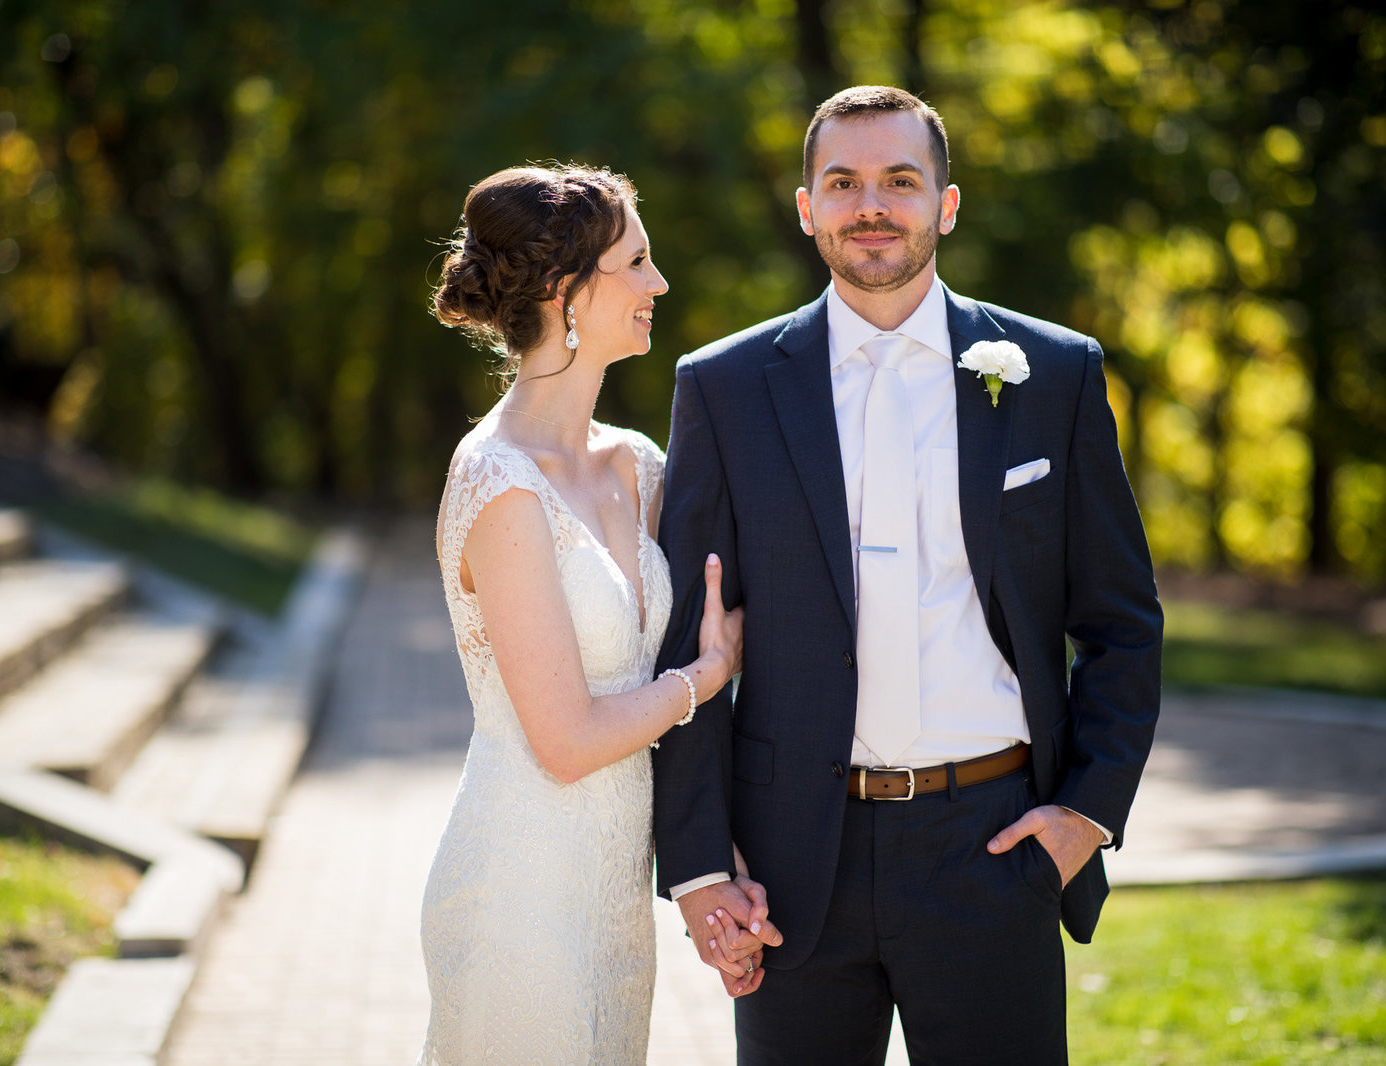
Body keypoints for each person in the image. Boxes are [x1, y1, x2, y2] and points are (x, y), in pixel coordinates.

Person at [651, 86, 1163, 1064]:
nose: (870, 205)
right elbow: (687, 640)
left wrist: (1085, 813)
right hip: (792, 862)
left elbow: (1122, 618)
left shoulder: (1050, 373)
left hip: (994, 846)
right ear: (806, 206)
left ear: (947, 203)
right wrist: (701, 863)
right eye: (841, 182)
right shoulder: (722, 386)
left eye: (899, 180)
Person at [420, 164, 765, 1064]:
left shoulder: (639, 466)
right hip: (519, 892)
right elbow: (566, 740)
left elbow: (655, 702)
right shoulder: (497, 480)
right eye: (638, 263)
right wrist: (707, 676)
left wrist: (716, 863)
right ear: (565, 292)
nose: (657, 284)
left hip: (615, 896)